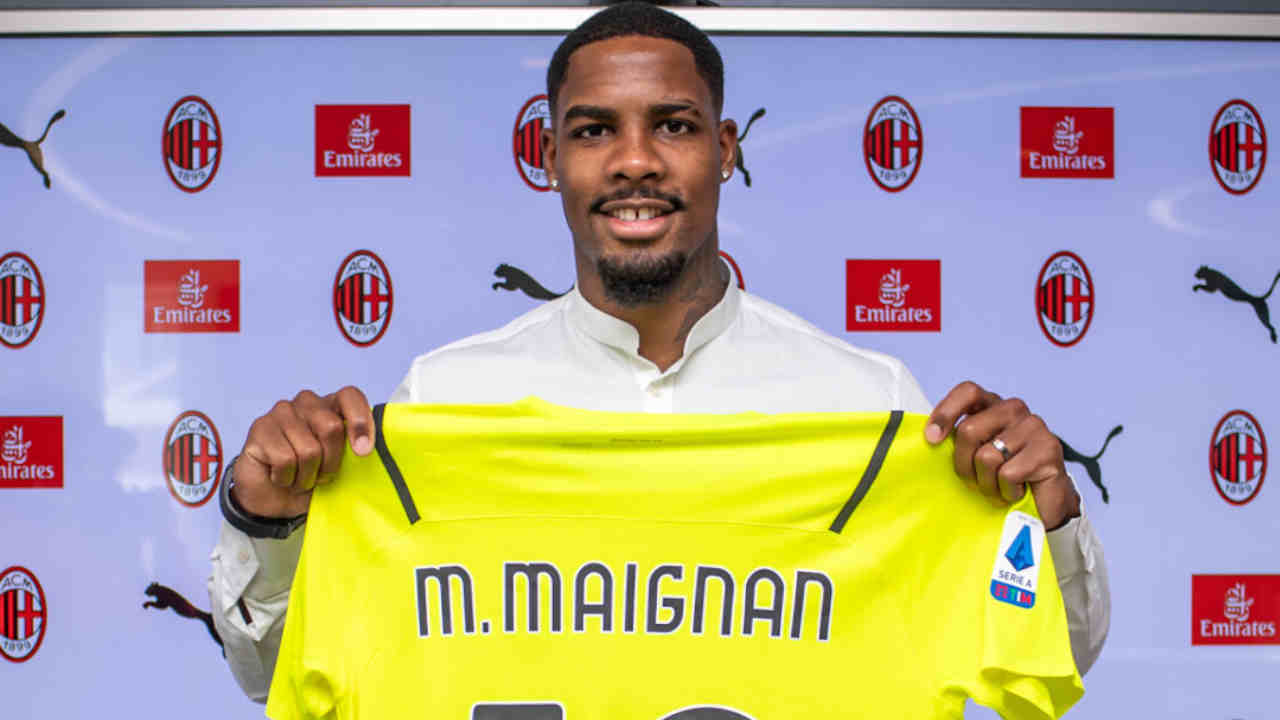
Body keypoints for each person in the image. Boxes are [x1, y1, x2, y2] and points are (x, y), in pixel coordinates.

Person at [208, 1, 1110, 703]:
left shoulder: (870, 405)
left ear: (724, 149)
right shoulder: (445, 401)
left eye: (673, 125)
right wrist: (268, 523)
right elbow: (275, 672)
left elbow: (1052, 654)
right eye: (594, 129)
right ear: (551, 158)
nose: (634, 161)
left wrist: (1048, 519)